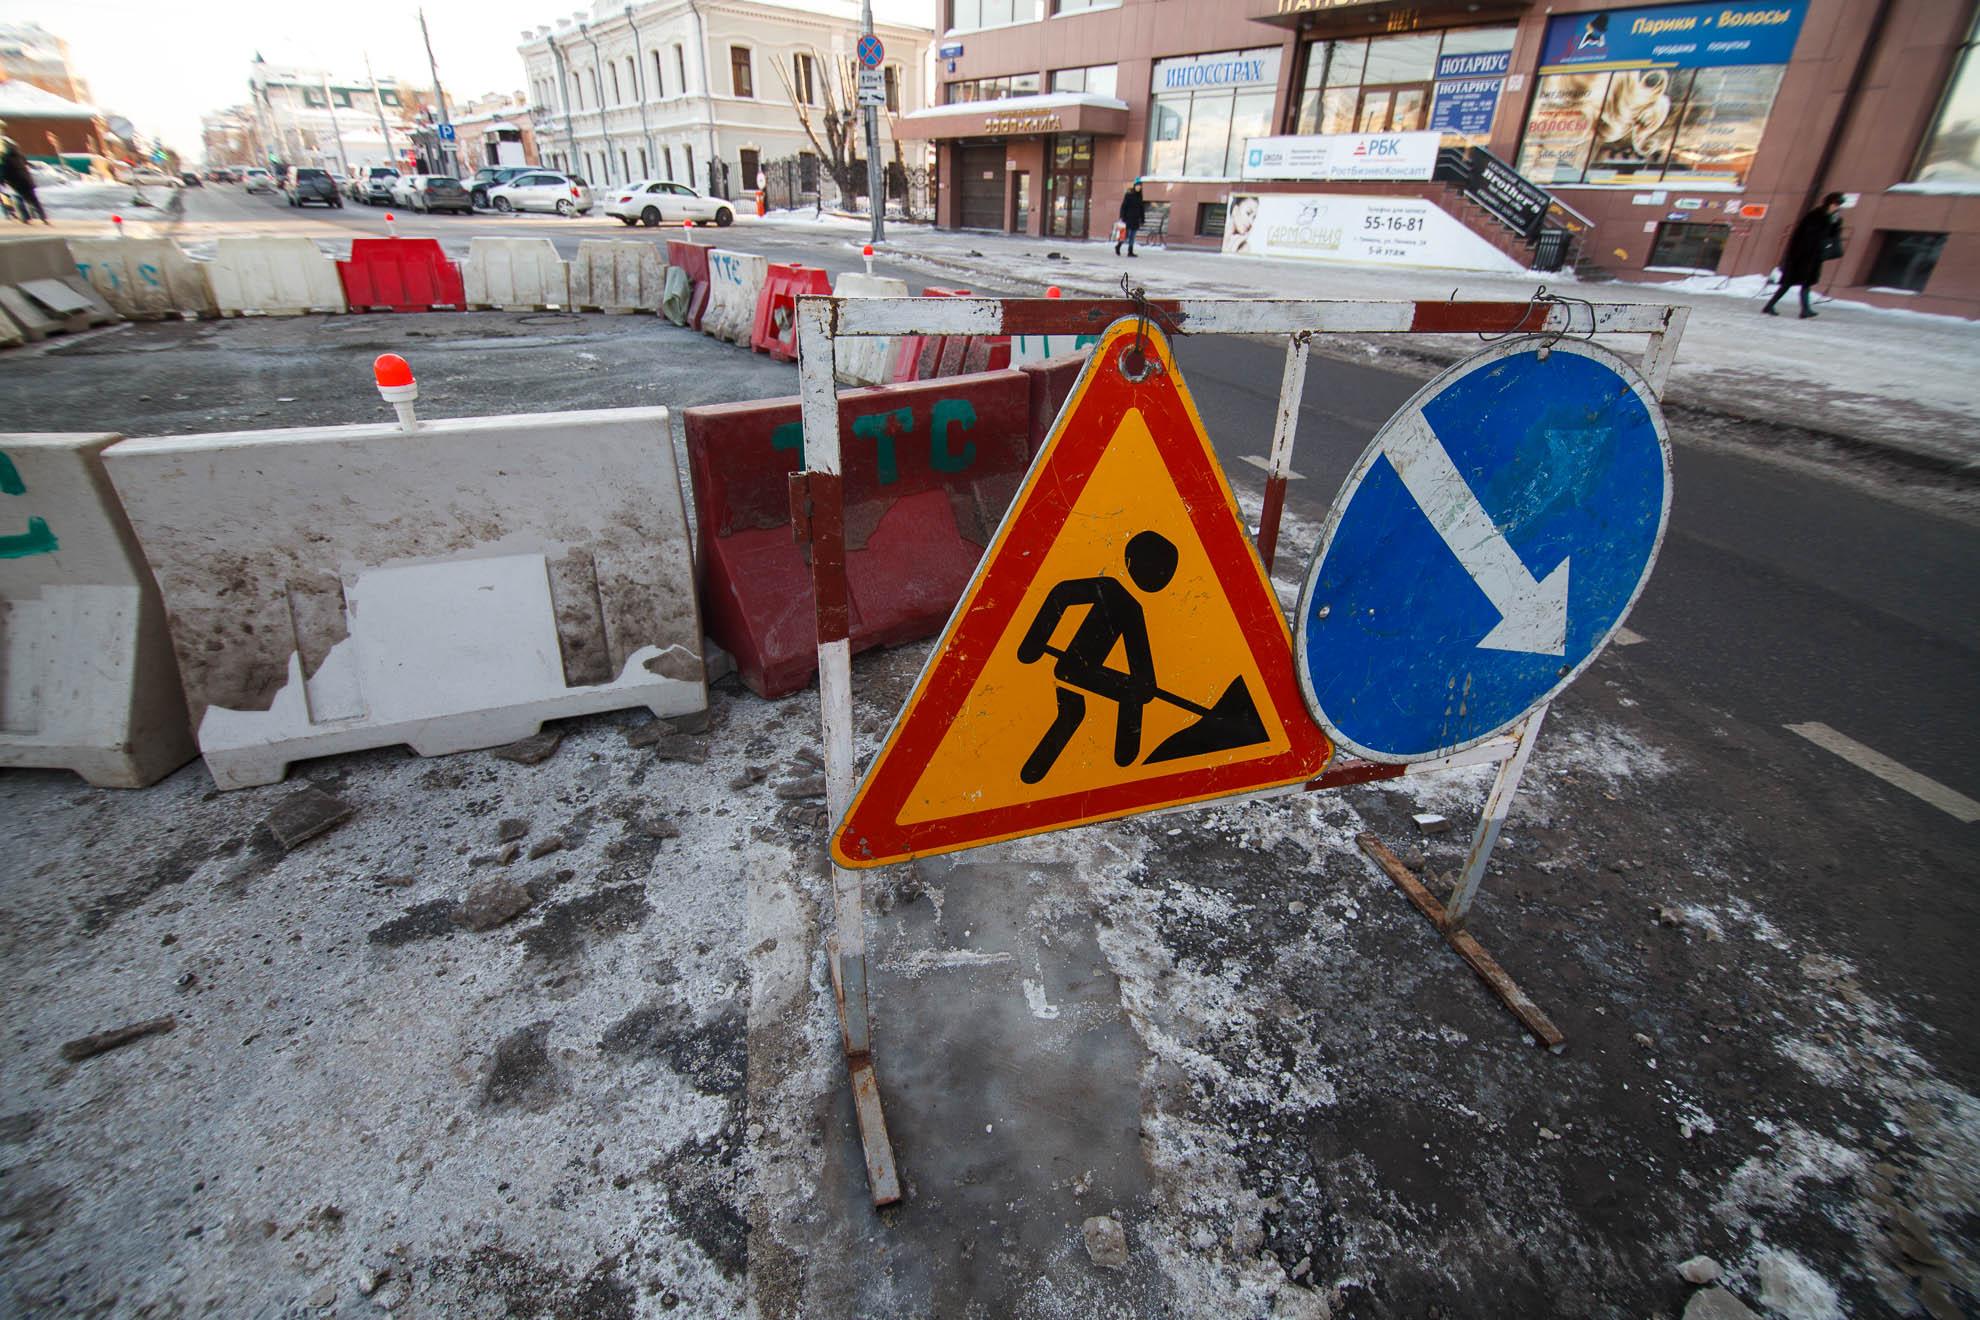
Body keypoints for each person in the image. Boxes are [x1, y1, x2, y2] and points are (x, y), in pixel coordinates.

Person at [1016, 530, 1178, 784]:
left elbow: (1141, 662)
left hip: (1077, 669)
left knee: (1074, 712)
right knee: (1094, 706)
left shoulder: (1130, 606)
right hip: (1075, 667)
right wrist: (1033, 643)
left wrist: (1145, 686)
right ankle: (1125, 755)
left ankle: (1031, 777)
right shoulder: (1113, 592)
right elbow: (1061, 594)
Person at [1764, 192, 1845, 319]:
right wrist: (1796, 255)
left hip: (1814, 257)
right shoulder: (1815, 216)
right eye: (1836, 204)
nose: (1838, 207)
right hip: (1801, 256)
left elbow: (1832, 236)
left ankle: (1804, 310)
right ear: (1829, 203)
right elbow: (1802, 236)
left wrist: (1835, 223)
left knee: (1805, 283)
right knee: (1788, 284)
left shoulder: (1834, 218)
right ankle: (1772, 306)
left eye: (1840, 204)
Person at [0, 126, 50, 225]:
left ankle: (23, 216)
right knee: (30, 197)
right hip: (21, 174)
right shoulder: (13, 147)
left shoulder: (5, 150)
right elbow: (23, 160)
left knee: (18, 196)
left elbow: (3, 164)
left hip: (13, 176)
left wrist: (2, 178)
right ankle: (41, 217)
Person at [1115, 180, 1145, 258]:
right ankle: (1118, 246)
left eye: (1140, 186)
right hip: (1128, 218)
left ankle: (1130, 251)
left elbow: (1141, 208)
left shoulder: (1140, 196)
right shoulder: (1129, 195)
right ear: (1134, 186)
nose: (1139, 187)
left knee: (1133, 236)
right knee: (1126, 235)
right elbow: (1123, 206)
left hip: (1136, 219)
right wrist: (1122, 216)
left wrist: (1142, 218)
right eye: (1137, 186)